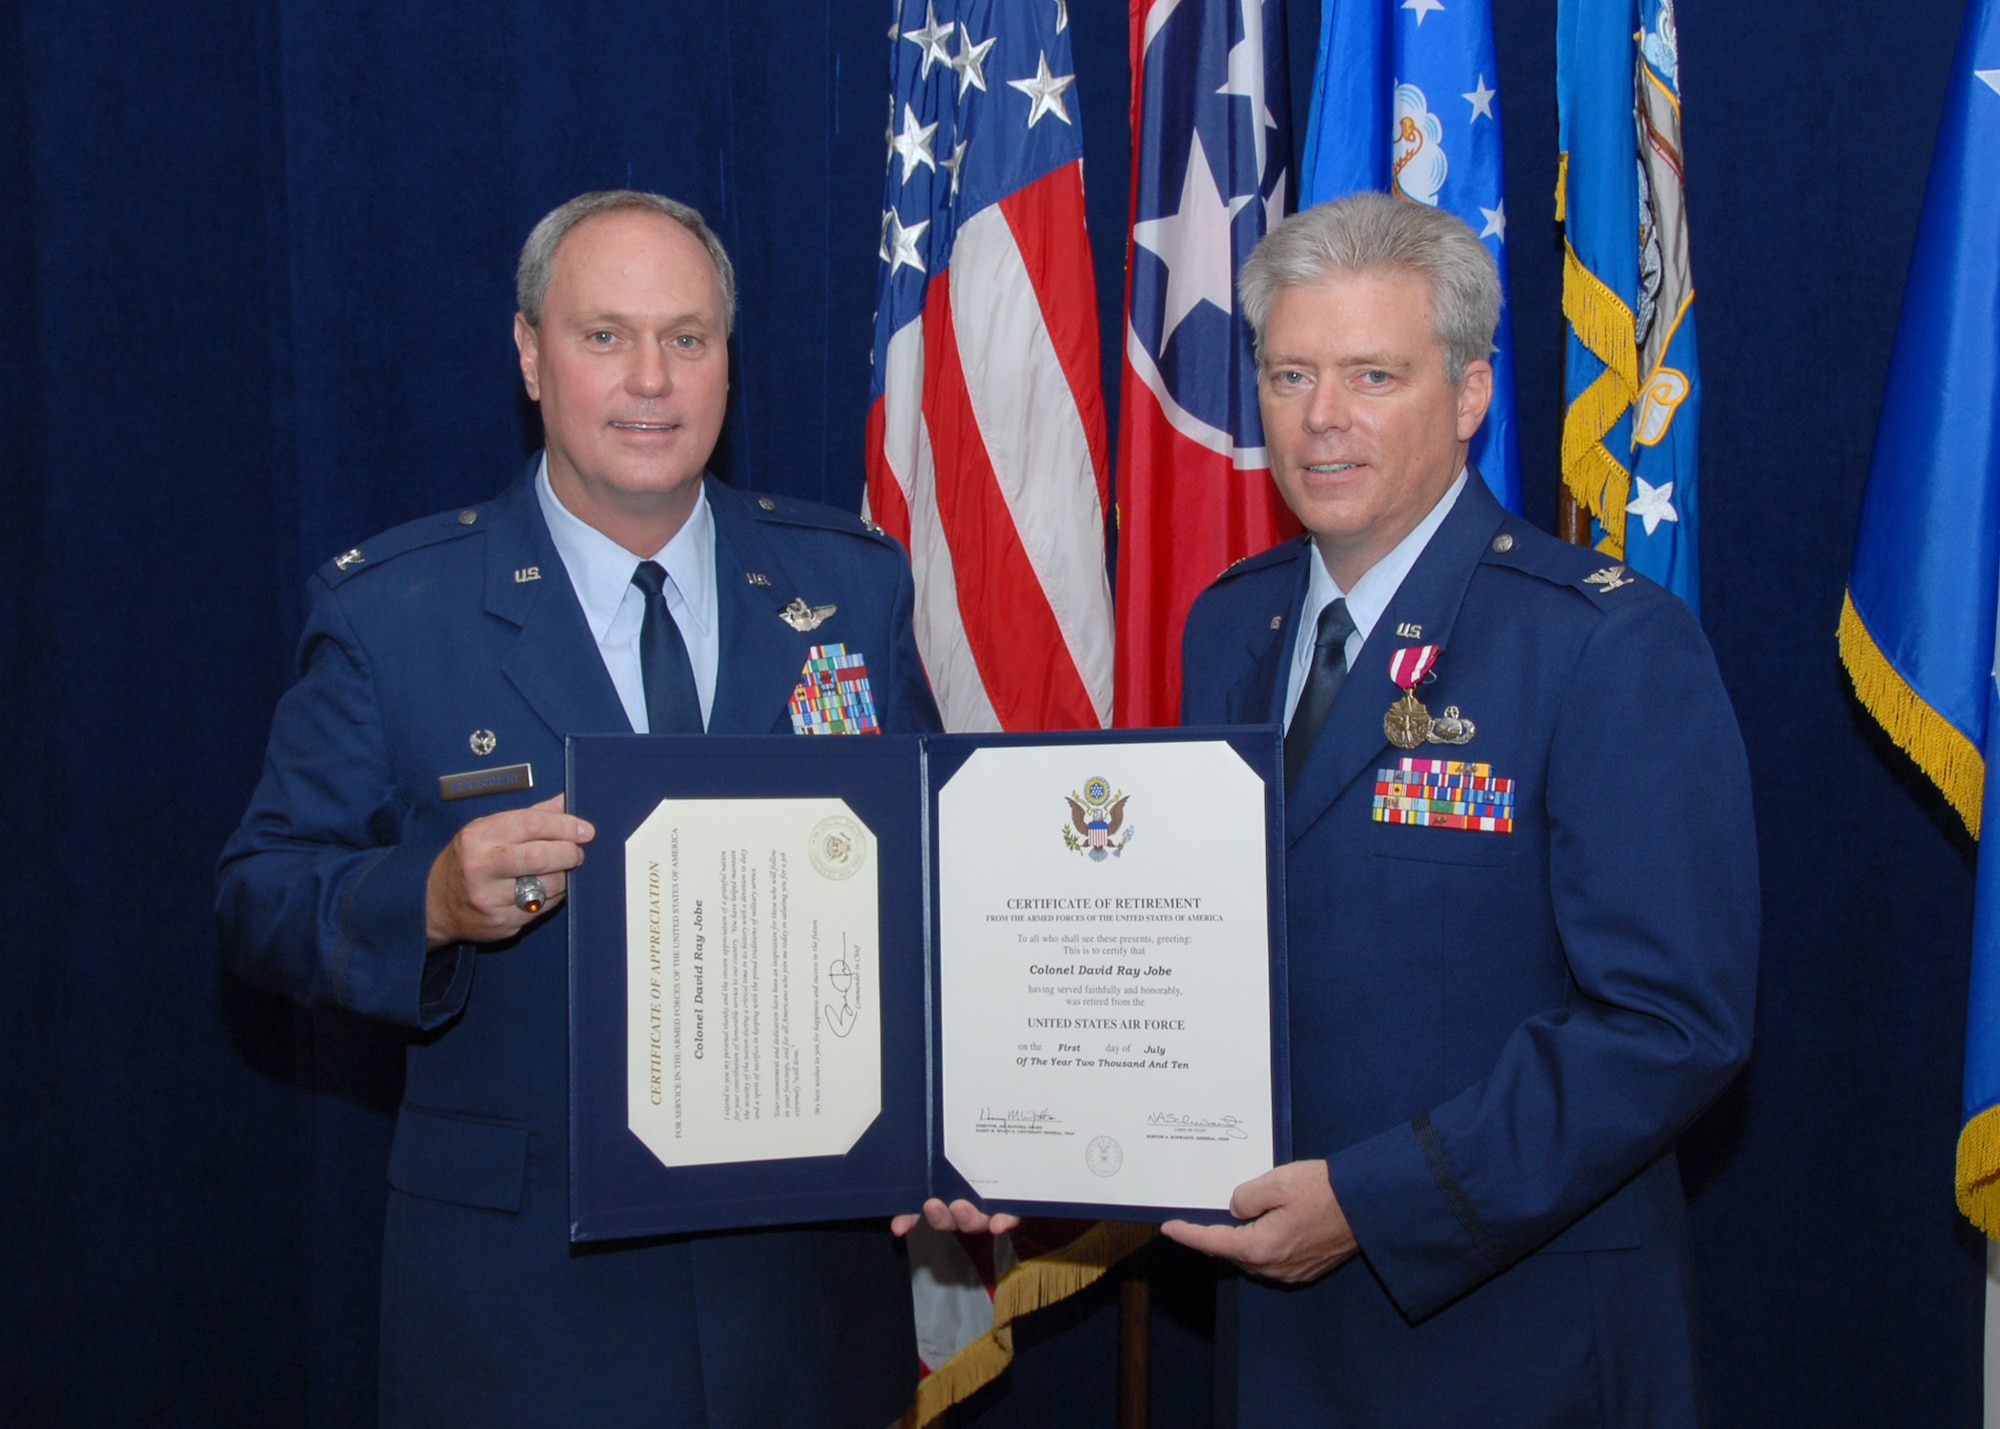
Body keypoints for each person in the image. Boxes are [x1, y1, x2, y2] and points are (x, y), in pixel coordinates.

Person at [217, 190, 940, 1427]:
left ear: (727, 356)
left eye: (688, 337)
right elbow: (261, 898)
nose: (650, 379)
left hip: (802, 1300)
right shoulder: (395, 615)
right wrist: (430, 899)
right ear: (528, 356)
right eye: (604, 335)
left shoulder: (847, 584)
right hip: (526, 1309)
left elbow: (928, 890)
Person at [1161, 192, 1758, 1423]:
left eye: (1372, 374)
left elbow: (1668, 1022)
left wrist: (1380, 1203)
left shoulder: (1602, 644)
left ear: (1470, 394)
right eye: (1288, 374)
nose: (1321, 418)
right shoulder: (1228, 621)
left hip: (1508, 1337)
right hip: (1269, 1339)